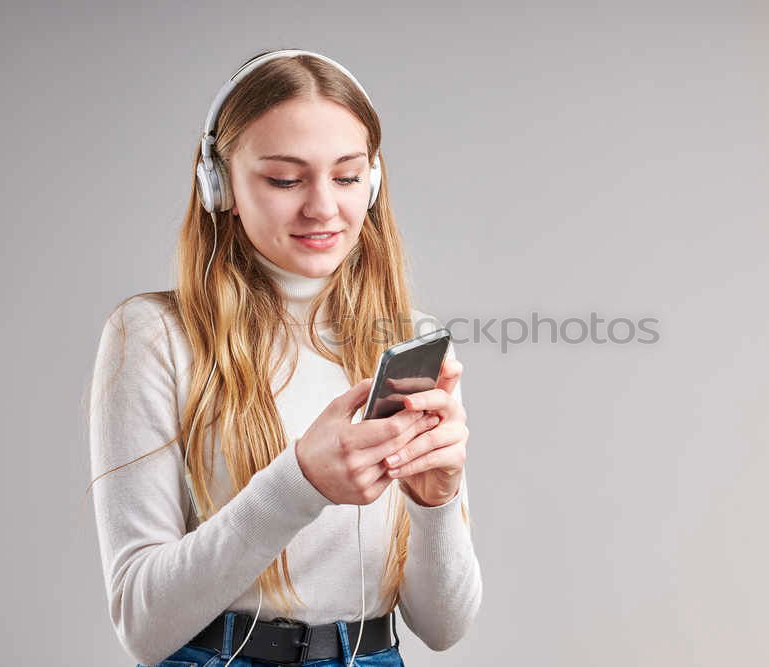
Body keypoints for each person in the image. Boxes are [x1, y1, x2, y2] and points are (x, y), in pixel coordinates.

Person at [86, 49, 482, 667]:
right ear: (219, 187)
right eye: (284, 180)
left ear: (372, 183)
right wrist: (300, 483)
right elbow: (142, 624)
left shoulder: (410, 339)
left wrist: (436, 504)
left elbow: (444, 626)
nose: (324, 208)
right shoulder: (153, 336)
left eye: (348, 177)